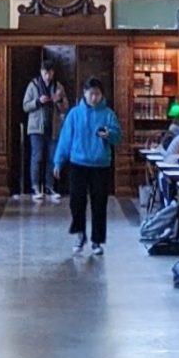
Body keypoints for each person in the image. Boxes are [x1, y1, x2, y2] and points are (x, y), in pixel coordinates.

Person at [53, 77, 123, 256]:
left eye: (97, 94)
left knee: (99, 203)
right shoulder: (75, 114)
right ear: (84, 94)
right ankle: (79, 234)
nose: (94, 98)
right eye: (91, 94)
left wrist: (109, 134)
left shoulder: (108, 114)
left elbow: (118, 137)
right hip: (78, 163)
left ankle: (97, 240)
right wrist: (58, 162)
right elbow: (65, 139)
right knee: (76, 201)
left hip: (100, 164)